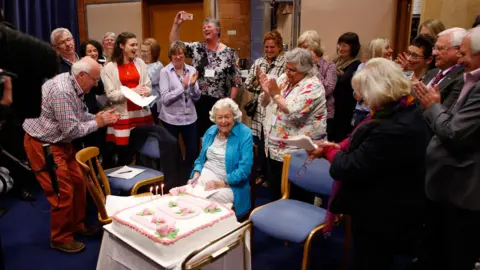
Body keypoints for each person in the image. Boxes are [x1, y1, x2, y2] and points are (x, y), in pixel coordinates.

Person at [308, 58, 430, 270]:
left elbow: (345, 167)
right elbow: (358, 143)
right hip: (388, 203)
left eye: (364, 93)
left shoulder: (391, 128)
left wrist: (329, 151)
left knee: (372, 259)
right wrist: (336, 148)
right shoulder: (405, 110)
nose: (362, 99)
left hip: (382, 212)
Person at [22, 57, 120, 253]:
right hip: (44, 144)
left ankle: (77, 225)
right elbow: (72, 131)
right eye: (95, 79)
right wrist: (99, 123)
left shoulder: (74, 85)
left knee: (78, 182)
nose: (96, 83)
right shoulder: (62, 91)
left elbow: (80, 115)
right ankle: (60, 237)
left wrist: (98, 117)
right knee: (62, 191)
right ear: (82, 75)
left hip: (60, 141)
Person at [412, 26, 480, 270]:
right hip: (444, 182)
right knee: (434, 248)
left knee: (453, 254)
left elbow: (453, 132)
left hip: (461, 188)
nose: (460, 59)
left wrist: (432, 106)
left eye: (463, 54)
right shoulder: (469, 78)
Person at [259, 48, 327, 201]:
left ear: (306, 70)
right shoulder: (284, 78)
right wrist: (267, 92)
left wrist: (275, 94)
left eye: (292, 70)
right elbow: (264, 104)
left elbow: (294, 112)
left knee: (297, 196)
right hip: (274, 147)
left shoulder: (313, 86)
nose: (287, 73)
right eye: (286, 68)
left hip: (296, 152)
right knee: (276, 193)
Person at [170, 12, 242, 141]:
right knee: (198, 138)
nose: (205, 29)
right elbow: (174, 45)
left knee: (218, 138)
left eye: (208, 26)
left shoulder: (229, 53)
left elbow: (235, 80)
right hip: (198, 100)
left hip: (219, 103)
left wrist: (229, 103)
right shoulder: (197, 48)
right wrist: (176, 25)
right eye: (204, 28)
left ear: (218, 30)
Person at [189, 98, 253, 217]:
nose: (223, 121)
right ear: (215, 118)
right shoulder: (211, 131)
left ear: (234, 116)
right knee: (188, 191)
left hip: (231, 185)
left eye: (227, 116)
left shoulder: (245, 134)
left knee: (202, 199)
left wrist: (222, 183)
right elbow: (200, 159)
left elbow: (244, 170)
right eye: (220, 117)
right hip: (205, 178)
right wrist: (196, 173)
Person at [102, 32, 154, 166]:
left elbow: (148, 85)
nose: (135, 48)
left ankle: (142, 184)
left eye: (136, 44)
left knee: (143, 152)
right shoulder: (109, 67)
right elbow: (111, 95)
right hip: (123, 117)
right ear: (121, 46)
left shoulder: (140, 63)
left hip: (141, 114)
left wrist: (146, 91)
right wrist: (132, 92)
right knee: (124, 155)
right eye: (132, 45)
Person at [244, 30, 286, 187]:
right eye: (267, 47)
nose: (269, 50)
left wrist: (269, 89)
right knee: (260, 144)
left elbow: (282, 88)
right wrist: (258, 84)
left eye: (272, 47)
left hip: (275, 111)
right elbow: (248, 84)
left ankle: (272, 177)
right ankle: (261, 173)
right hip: (259, 111)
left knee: (272, 144)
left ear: (279, 47)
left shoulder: (284, 63)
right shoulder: (259, 62)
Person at [159, 41, 200, 175]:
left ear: (184, 54)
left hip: (190, 118)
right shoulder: (165, 72)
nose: (178, 56)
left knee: (193, 151)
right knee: (172, 152)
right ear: (170, 55)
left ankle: (190, 178)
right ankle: (174, 179)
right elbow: (165, 99)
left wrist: (193, 86)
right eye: (174, 54)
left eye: (180, 53)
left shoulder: (192, 70)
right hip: (171, 118)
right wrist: (182, 87)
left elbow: (196, 97)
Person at [298, 30, 337, 139]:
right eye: (300, 47)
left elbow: (328, 89)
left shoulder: (329, 66)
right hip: (303, 115)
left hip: (323, 116)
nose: (302, 50)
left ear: (314, 47)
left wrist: (313, 67)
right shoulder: (300, 67)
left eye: (305, 47)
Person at [416, 28, 467, 110]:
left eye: (440, 48)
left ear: (458, 51)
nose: (434, 53)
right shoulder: (432, 72)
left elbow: (445, 115)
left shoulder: (462, 78)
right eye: (435, 48)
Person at [352, 37, 394, 127]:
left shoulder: (392, 68)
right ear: (377, 50)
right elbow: (358, 95)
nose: (391, 50)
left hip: (384, 114)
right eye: (387, 48)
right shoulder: (363, 67)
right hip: (363, 113)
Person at [330, 32, 362, 142]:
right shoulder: (334, 62)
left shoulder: (356, 65)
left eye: (344, 45)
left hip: (345, 111)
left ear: (353, 48)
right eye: (339, 44)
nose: (340, 48)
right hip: (332, 108)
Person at [140, 38, 164, 123]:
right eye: (142, 51)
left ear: (153, 52)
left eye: (146, 51)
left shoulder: (158, 66)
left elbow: (148, 80)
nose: (143, 54)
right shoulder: (140, 63)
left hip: (153, 103)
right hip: (141, 102)